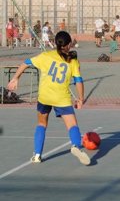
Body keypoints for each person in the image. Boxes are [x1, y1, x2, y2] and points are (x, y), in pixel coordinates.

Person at [7, 31, 90, 165]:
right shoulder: (73, 61)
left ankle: (37, 155)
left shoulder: (45, 56)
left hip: (44, 97)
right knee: (72, 125)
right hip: (61, 99)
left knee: (41, 124)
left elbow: (25, 63)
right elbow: (78, 81)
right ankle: (75, 146)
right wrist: (80, 98)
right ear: (69, 45)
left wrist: (16, 78)